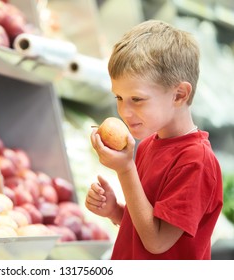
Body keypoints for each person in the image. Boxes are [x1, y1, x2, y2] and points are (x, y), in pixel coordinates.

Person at [85, 19, 223, 260]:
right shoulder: (150, 144)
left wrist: (125, 170)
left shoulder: (196, 162)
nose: (124, 112)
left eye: (136, 99)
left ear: (179, 94)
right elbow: (146, 224)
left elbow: (157, 242)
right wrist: (115, 212)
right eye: (119, 97)